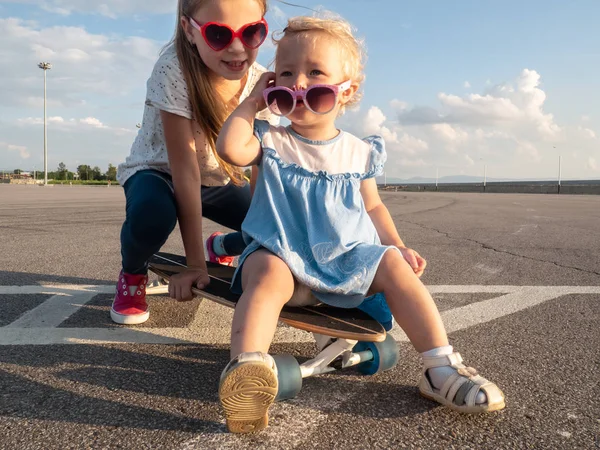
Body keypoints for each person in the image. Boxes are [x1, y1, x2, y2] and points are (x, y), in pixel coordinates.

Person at [216, 15, 506, 433]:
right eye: (285, 73)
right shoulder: (272, 139)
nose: (298, 82)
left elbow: (373, 208)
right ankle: (247, 371)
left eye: (315, 72)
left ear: (346, 89)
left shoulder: (358, 151)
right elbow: (230, 147)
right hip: (286, 255)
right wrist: (251, 103)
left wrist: (397, 245)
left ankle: (440, 368)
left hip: (345, 259)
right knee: (265, 270)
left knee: (393, 265)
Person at [112, 0, 276, 325]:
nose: (237, 48)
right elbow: (184, 170)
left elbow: (261, 162)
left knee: (274, 225)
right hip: (158, 171)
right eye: (218, 34)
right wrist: (195, 265)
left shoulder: (260, 82)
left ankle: (223, 245)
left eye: (252, 32)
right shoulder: (173, 70)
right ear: (189, 29)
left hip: (215, 179)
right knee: (152, 215)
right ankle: (132, 274)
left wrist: (265, 226)